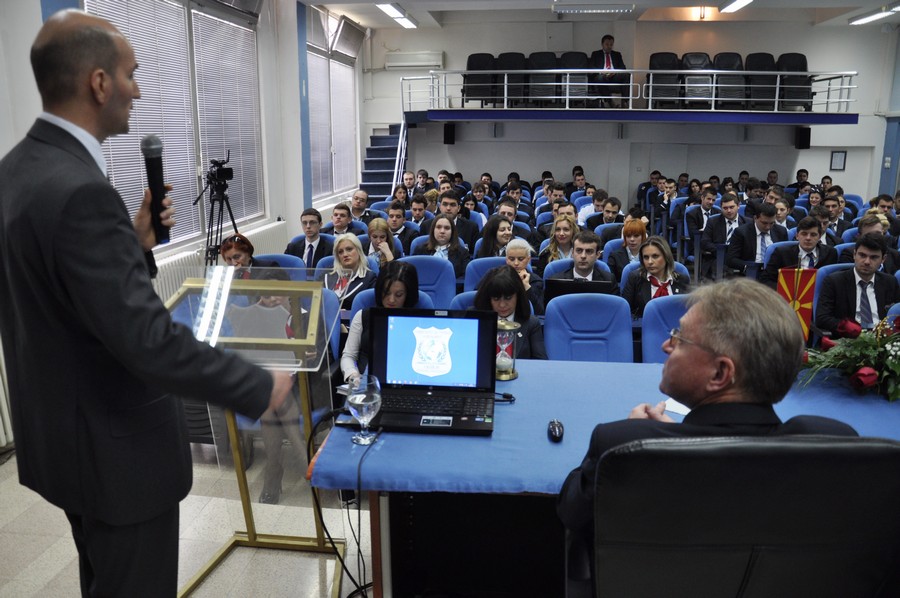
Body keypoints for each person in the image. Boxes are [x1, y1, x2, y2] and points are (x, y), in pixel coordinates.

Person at [0, 10, 292, 596]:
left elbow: (62, 300)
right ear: (98, 83)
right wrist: (257, 385)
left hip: (62, 439)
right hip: (117, 455)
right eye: (130, 74)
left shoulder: (17, 170)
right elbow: (145, 339)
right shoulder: (82, 192)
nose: (137, 90)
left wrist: (132, 245)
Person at [557, 279, 857, 580]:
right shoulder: (834, 450)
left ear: (720, 373)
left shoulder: (624, 446)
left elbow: (571, 511)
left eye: (679, 338)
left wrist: (642, 440)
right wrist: (680, 436)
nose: (665, 345)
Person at [341, 261, 420, 385]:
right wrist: (353, 375)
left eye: (399, 295)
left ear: (408, 294)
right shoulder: (363, 316)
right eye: (386, 293)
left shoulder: (419, 321)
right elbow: (348, 356)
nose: (391, 300)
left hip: (407, 384)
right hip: (366, 384)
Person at [815, 233, 900, 338]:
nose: (867, 262)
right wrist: (846, 327)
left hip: (882, 341)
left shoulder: (890, 282)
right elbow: (822, 318)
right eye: (862, 255)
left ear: (883, 259)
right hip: (847, 340)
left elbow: (896, 316)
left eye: (874, 257)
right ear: (854, 254)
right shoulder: (834, 281)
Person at [473, 266, 547, 359]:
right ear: (489, 299)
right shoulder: (474, 321)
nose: (502, 305)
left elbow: (541, 362)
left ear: (518, 296)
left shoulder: (531, 324)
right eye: (496, 299)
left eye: (508, 298)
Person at [759, 216, 838, 289]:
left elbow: (833, 283)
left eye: (813, 235)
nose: (808, 238)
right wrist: (785, 290)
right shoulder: (782, 253)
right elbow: (766, 280)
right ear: (797, 236)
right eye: (804, 234)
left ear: (819, 237)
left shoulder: (830, 253)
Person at [622, 236, 691, 317]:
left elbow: (688, 312)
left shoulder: (682, 280)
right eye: (646, 257)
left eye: (655, 256)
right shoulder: (635, 278)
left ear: (666, 257)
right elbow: (624, 312)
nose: (650, 262)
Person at [725, 202, 788, 275]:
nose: (768, 227)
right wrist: (748, 267)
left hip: (774, 273)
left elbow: (785, 257)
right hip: (750, 273)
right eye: (764, 223)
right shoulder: (741, 232)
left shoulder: (781, 231)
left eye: (771, 223)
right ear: (755, 218)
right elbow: (731, 259)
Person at [548, 230, 618, 289]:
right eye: (579, 250)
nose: (583, 256)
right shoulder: (556, 281)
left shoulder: (609, 280)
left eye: (589, 251)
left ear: (597, 255)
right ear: (572, 253)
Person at [324, 234, 377, 309]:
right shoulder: (326, 274)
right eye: (340, 252)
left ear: (358, 251)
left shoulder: (370, 278)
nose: (345, 254)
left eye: (349, 249)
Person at [413, 213, 472, 278]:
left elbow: (464, 278)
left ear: (452, 232)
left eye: (447, 228)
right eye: (438, 227)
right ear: (433, 230)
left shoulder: (462, 253)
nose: (442, 231)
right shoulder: (420, 250)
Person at [504, 238, 545, 315]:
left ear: (528, 259)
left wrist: (526, 287)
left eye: (520, 259)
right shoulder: (495, 277)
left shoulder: (536, 281)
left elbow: (539, 313)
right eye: (512, 259)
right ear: (506, 259)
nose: (516, 263)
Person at [590, 34, 628, 107]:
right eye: (607, 44)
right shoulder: (596, 54)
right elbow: (591, 67)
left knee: (626, 75)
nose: (609, 46)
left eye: (611, 44)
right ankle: (609, 102)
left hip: (614, 76)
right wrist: (602, 72)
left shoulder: (617, 54)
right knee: (600, 78)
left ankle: (625, 101)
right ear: (602, 44)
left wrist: (614, 72)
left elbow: (623, 67)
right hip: (602, 75)